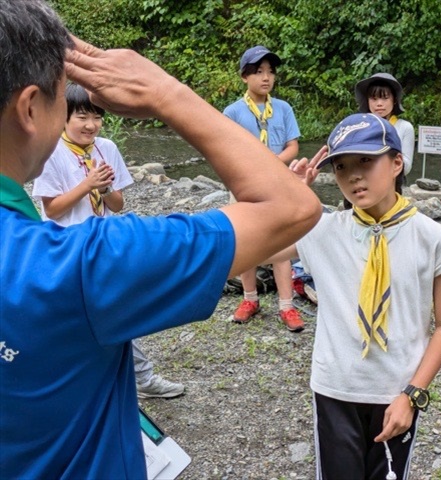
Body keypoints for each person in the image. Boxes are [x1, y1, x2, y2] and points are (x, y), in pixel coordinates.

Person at [0, 1, 321, 478]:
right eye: (63, 99)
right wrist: (165, 93)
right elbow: (291, 208)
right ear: (31, 107)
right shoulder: (82, 263)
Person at [272, 113, 441, 479]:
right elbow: (260, 250)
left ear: (397, 163)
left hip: (396, 393)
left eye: (366, 161)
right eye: (341, 167)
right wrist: (290, 203)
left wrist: (412, 395)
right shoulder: (323, 230)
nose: (354, 175)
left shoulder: (431, 237)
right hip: (335, 388)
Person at [32, 83, 184, 399]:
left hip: (104, 245)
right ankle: (78, 381)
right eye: (82, 117)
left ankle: (140, 378)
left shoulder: (107, 148)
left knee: (121, 307)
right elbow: (52, 208)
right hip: (67, 247)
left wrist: (103, 188)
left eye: (97, 117)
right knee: (82, 316)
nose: (90, 125)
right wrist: (88, 183)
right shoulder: (51, 151)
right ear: (63, 117)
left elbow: (118, 205)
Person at [223, 45, 305, 332]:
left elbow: (293, 146)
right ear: (245, 76)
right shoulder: (232, 112)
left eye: (270, 72)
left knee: (281, 242)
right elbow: (227, 152)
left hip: (279, 183)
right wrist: (256, 167)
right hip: (245, 186)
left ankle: (287, 305)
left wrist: (271, 163)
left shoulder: (283, 109)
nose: (266, 77)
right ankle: (250, 299)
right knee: (246, 241)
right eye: (259, 72)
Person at [355, 72, 415, 178]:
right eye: (374, 99)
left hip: (393, 187)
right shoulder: (360, 126)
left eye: (385, 98)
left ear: (394, 100)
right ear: (367, 101)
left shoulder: (405, 127)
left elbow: (406, 167)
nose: (379, 103)